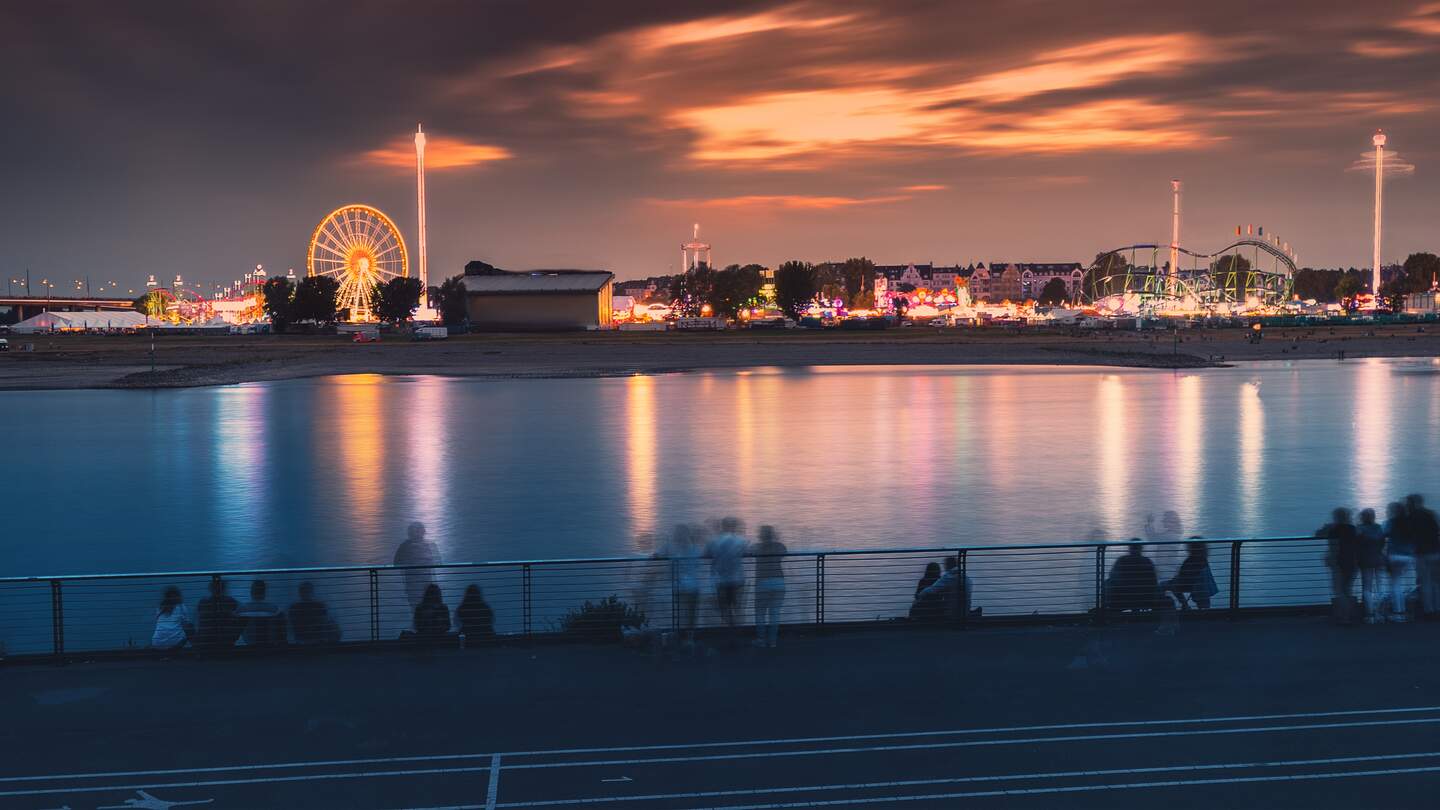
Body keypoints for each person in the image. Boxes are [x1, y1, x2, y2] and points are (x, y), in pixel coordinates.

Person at [657, 524, 702, 648]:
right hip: (693, 585)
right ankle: (689, 639)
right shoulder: (696, 549)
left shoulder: (669, 547)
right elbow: (697, 565)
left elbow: (656, 555)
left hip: (679, 586)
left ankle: (679, 638)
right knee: (691, 613)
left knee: (679, 613)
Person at [704, 517, 748, 629]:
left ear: (722, 527)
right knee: (737, 606)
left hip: (721, 579)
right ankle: (737, 629)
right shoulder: (741, 540)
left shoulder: (713, 541)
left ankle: (729, 628)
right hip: (738, 578)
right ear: (734, 527)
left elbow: (706, 553)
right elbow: (748, 551)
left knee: (723, 607)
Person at [1319, 507, 1360, 623]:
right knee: (1348, 589)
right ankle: (1350, 615)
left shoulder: (1334, 530)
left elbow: (1331, 545)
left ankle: (1345, 617)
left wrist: (1331, 561)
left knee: (1338, 590)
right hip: (1353, 562)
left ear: (1336, 517)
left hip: (1339, 562)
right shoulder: (1353, 529)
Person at [750, 525, 786, 648]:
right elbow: (784, 553)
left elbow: (747, 551)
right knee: (775, 613)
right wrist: (777, 538)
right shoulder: (780, 546)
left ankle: (761, 639)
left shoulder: (756, 547)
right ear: (773, 534)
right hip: (779, 582)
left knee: (760, 613)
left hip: (762, 582)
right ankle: (772, 641)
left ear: (760, 535)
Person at [394, 521, 440, 608]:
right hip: (425, 581)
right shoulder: (430, 545)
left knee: (415, 605)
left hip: (412, 582)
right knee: (428, 603)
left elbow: (396, 562)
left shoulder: (404, 546)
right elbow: (437, 561)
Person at [1105, 541, 1160, 613]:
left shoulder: (1122, 560)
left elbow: (1112, 576)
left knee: (1107, 582)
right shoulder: (1147, 561)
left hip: (1123, 598)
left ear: (1130, 549)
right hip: (1144, 598)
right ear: (1141, 549)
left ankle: (1109, 610)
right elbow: (1154, 580)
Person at [1409, 494, 1440, 616]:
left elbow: (1409, 534)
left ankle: (1428, 610)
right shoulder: (1432, 514)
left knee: (1425, 582)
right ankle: (1438, 608)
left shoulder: (1412, 517)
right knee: (1436, 582)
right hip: (1435, 551)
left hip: (1421, 553)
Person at [1165, 539, 1218, 611]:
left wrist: (1176, 579)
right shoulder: (1203, 560)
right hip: (1202, 588)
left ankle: (1184, 605)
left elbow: (1184, 575)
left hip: (1191, 585)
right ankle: (1188, 607)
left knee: (1166, 585)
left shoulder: (1191, 560)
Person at [1357, 508, 1387, 624]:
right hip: (1379, 558)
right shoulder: (1379, 528)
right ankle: (1380, 613)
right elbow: (1382, 543)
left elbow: (1357, 543)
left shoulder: (1359, 529)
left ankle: (1369, 614)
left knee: (1367, 588)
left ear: (1362, 517)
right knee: (1380, 587)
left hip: (1366, 560)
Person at [1385, 501, 1414, 621]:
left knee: (1395, 583)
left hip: (1395, 555)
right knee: (1404, 583)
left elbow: (1382, 533)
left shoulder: (1391, 522)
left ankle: (1398, 611)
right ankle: (1405, 609)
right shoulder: (1410, 522)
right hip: (1408, 556)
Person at [917, 555, 972, 620]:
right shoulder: (966, 577)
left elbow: (931, 590)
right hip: (965, 613)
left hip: (953, 614)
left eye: (945, 565)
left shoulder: (948, 577)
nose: (944, 567)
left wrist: (919, 596)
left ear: (948, 565)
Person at [195, 577, 241, 649]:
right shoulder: (231, 601)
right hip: (226, 641)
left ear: (210, 589)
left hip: (207, 641)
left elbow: (199, 620)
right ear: (223, 589)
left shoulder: (203, 602)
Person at [237, 579, 286, 647]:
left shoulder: (242, 609)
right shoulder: (275, 609)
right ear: (264, 592)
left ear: (251, 592)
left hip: (249, 647)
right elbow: (281, 632)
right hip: (269, 647)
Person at [151, 586, 193, 650]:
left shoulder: (160, 608)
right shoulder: (181, 607)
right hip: (174, 643)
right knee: (190, 628)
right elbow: (187, 624)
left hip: (157, 642)